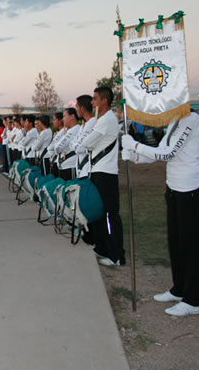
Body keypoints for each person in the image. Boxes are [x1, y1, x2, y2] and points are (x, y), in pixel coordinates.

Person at [121, 111, 199, 316]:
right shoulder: (175, 120)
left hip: (190, 189)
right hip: (173, 188)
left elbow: (169, 154)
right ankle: (179, 289)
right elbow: (160, 149)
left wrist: (135, 145)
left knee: (190, 245)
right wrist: (135, 156)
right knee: (175, 242)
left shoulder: (191, 119)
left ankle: (194, 300)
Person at [76, 86, 125, 267]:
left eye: (95, 98)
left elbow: (85, 144)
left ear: (104, 100)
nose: (92, 102)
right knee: (100, 212)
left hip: (106, 173)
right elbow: (86, 144)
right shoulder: (101, 119)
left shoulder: (107, 119)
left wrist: (87, 144)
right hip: (98, 170)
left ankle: (116, 255)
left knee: (110, 214)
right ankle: (103, 247)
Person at [73, 95, 96, 180]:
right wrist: (76, 145)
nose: (76, 110)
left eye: (77, 107)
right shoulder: (84, 125)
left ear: (82, 108)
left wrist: (76, 145)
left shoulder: (92, 123)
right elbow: (74, 144)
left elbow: (79, 148)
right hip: (80, 169)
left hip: (87, 168)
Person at [54, 108, 81, 181]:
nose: (63, 119)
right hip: (63, 166)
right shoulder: (68, 130)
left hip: (70, 166)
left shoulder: (75, 129)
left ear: (72, 116)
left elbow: (57, 148)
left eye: (64, 116)